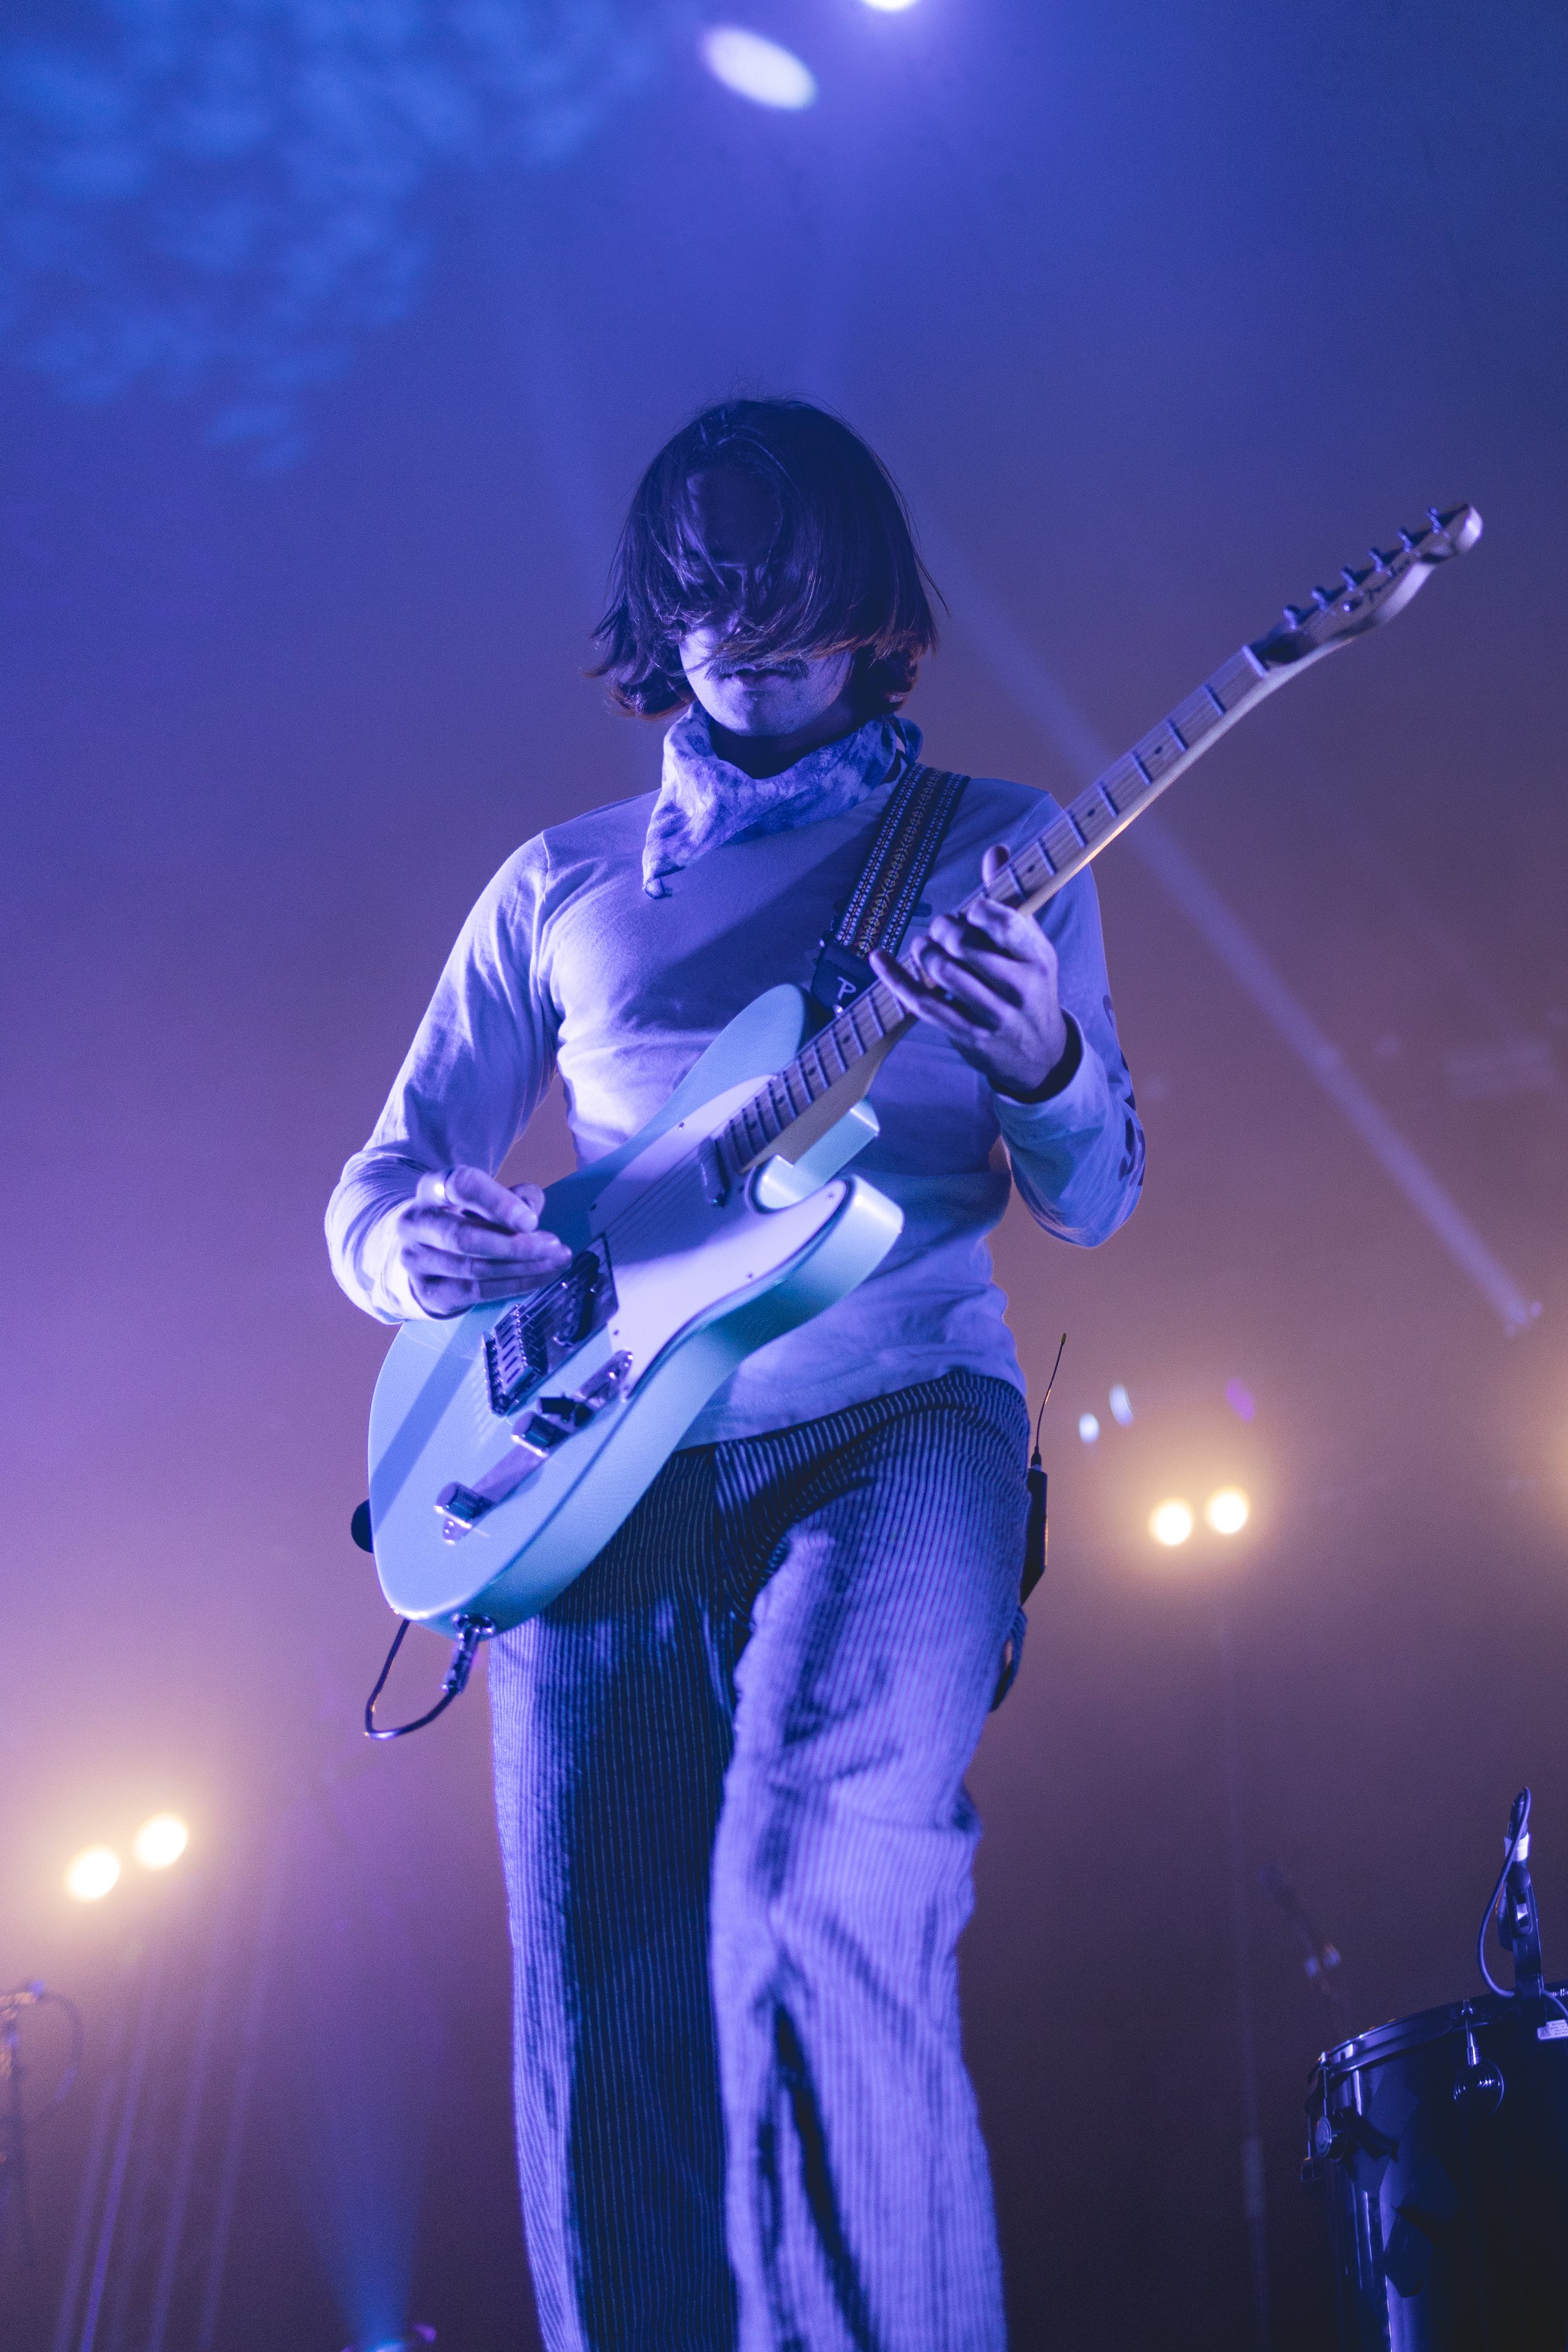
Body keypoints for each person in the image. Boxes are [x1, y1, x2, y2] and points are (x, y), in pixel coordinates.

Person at [326, 398, 1143, 2352]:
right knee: (604, 2018)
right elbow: (383, 1172)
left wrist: (1045, 1059)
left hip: (896, 1425)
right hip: (594, 1461)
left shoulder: (997, 851)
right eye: (701, 605)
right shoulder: (557, 884)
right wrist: (408, 1248)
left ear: (869, 609)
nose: (743, 642)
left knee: (813, 1877)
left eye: (785, 603)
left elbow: (1094, 1199)